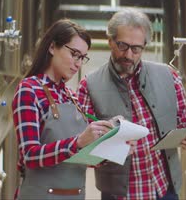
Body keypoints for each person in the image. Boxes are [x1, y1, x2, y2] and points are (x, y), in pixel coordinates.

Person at [77, 8, 186, 200]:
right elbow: (81, 149)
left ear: (144, 46)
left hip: (164, 190)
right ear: (110, 41)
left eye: (136, 48)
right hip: (118, 194)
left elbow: (185, 122)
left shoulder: (169, 76)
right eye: (122, 45)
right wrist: (112, 149)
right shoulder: (89, 85)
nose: (129, 54)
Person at [12, 19, 113, 199]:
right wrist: (78, 142)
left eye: (82, 57)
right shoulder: (29, 90)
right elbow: (30, 156)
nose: (78, 63)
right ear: (52, 47)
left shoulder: (72, 97)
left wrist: (113, 149)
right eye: (74, 54)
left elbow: (79, 158)